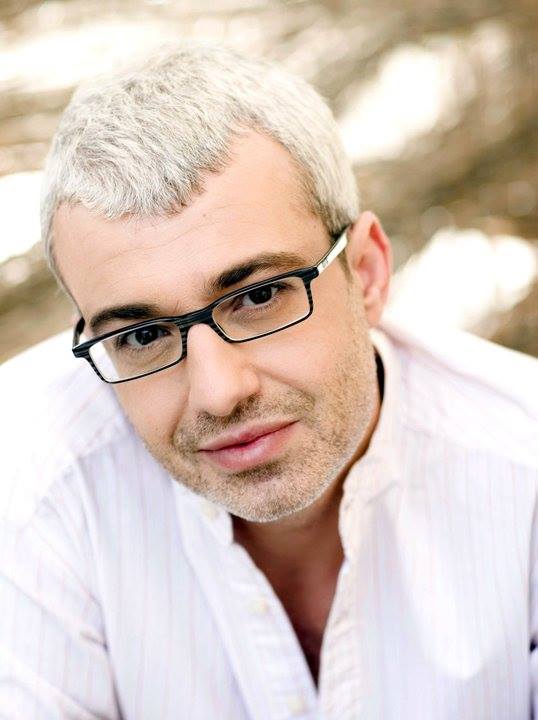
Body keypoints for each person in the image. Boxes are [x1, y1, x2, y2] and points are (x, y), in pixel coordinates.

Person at [0, 44, 537, 720]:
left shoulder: (523, 468)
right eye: (141, 335)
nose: (219, 392)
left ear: (366, 273)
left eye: (257, 296)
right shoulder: (28, 485)